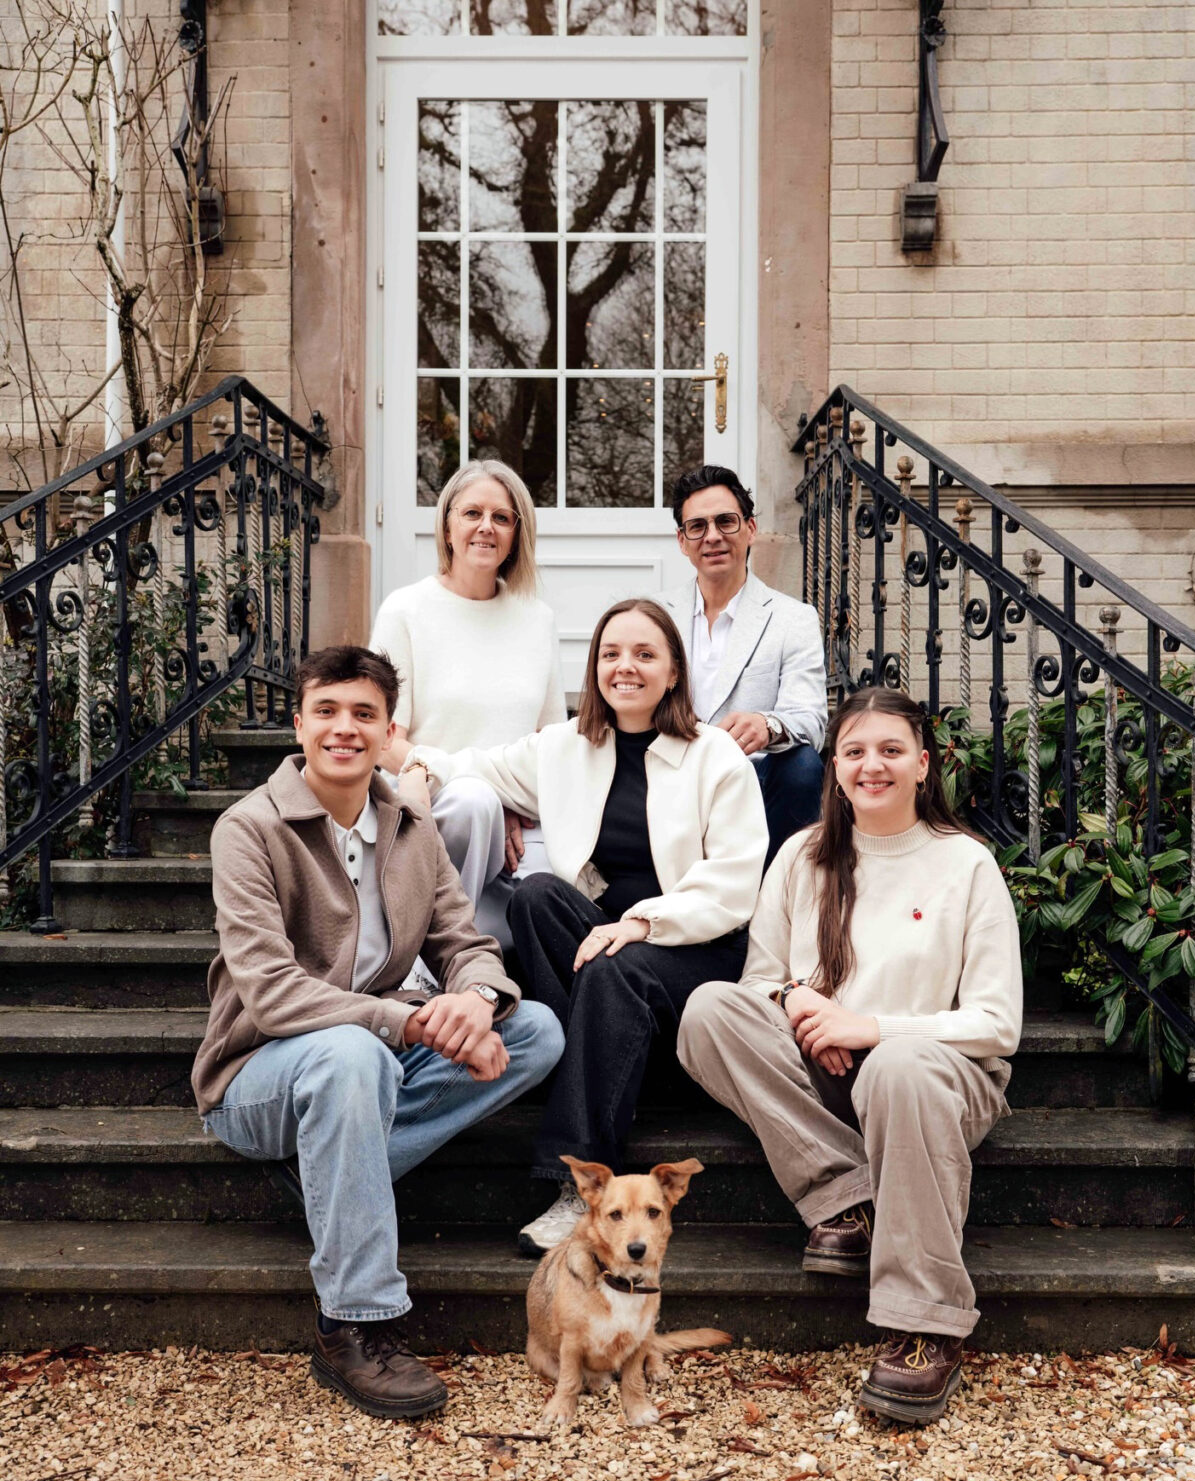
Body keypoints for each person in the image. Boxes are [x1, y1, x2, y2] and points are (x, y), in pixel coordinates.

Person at [192, 646, 564, 1421]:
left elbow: (464, 943)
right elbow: (271, 994)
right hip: (257, 1078)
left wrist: (478, 1000)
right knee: (350, 1052)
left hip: (370, 1059)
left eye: (364, 714)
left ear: (389, 732)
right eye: (326, 711)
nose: (344, 728)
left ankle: (333, 1168)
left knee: (535, 1030)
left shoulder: (410, 827)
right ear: (299, 726)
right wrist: (412, 1020)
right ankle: (352, 1323)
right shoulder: (248, 829)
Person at [677, 688, 1022, 1425]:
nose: (873, 766)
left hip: (938, 1078)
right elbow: (760, 984)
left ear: (922, 765)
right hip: (828, 1071)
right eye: (855, 751)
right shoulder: (801, 857)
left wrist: (869, 1029)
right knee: (709, 1011)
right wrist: (802, 1009)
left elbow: (996, 1025)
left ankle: (924, 1324)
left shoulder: (966, 864)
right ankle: (848, 1199)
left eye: (891, 750)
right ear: (833, 767)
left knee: (899, 1067)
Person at [400, 599, 768, 1257]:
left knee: (611, 965)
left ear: (674, 673)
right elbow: (473, 767)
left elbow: (736, 882)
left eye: (645, 654)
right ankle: (591, 1069)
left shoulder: (715, 757)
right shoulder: (567, 746)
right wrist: (418, 773)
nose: (625, 667)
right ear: (594, 666)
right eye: (611, 653)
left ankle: (580, 1185)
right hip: (608, 946)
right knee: (536, 897)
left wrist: (642, 923)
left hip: (694, 945)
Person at [369, 460, 565, 948]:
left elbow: (551, 743)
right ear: (447, 527)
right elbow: (384, 740)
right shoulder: (405, 609)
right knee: (475, 802)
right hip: (431, 799)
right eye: (472, 513)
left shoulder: (537, 618)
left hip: (515, 808)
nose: (486, 527)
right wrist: (491, 794)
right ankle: (436, 954)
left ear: (517, 533)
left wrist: (510, 800)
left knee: (560, 878)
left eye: (501, 517)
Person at [658, 464, 828, 866]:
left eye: (726, 521)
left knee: (803, 764)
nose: (712, 536)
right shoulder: (655, 615)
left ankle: (777, 889)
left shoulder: (793, 619)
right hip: (671, 777)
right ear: (682, 541)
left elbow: (811, 720)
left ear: (750, 529)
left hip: (753, 784)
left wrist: (767, 725)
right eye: (697, 526)